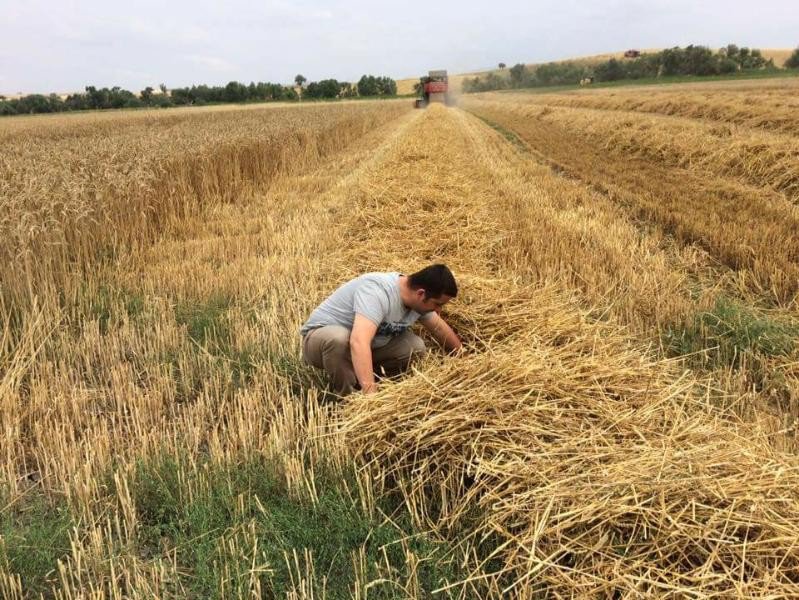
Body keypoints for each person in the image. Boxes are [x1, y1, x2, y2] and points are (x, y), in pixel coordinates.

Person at [300, 264, 462, 395]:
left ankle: (363, 377)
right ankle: (348, 398)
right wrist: (372, 399)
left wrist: (463, 357)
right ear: (421, 293)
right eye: (437, 304)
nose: (438, 310)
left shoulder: (417, 301)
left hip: (362, 346)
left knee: (415, 347)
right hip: (320, 341)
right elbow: (359, 342)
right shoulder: (378, 292)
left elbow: (439, 328)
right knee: (339, 338)